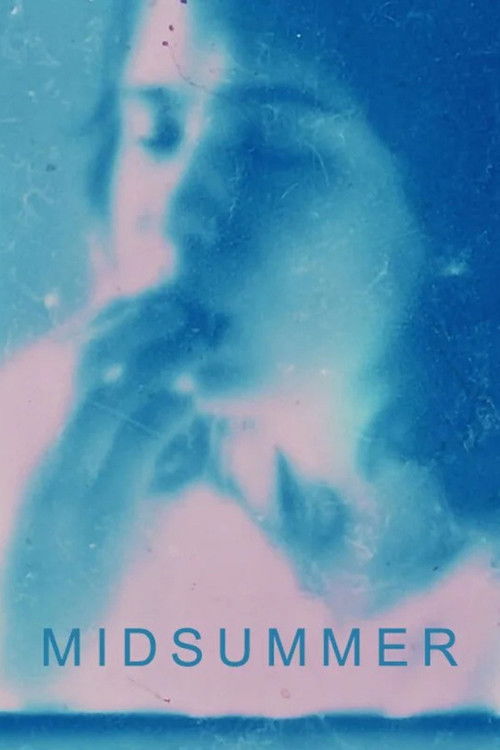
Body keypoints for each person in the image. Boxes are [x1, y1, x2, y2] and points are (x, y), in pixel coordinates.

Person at [0, 0, 497, 716]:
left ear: (452, 211)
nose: (177, 211)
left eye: (272, 149)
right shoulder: (28, 445)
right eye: (156, 130)